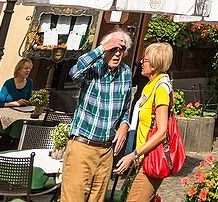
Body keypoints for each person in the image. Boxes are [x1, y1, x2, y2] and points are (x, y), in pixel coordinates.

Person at [60, 29, 133, 202]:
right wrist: (102, 48)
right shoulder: (93, 68)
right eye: (112, 49)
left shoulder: (126, 73)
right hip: (82, 147)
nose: (116, 53)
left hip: (106, 151)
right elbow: (74, 72)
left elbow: (126, 108)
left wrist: (124, 125)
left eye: (120, 49)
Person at [115, 42, 174, 202]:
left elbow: (162, 132)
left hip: (151, 160)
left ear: (155, 64)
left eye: (145, 60)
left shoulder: (161, 88)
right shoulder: (150, 85)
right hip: (143, 159)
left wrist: (134, 154)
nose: (141, 62)